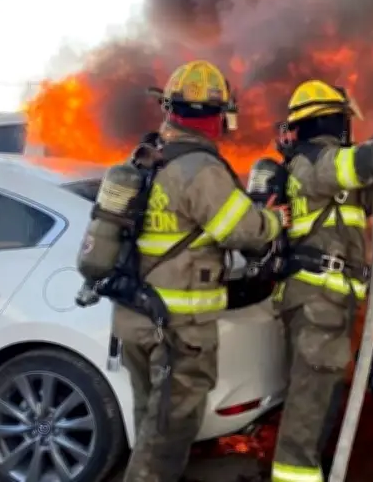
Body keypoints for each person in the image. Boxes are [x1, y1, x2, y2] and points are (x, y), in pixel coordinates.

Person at [113, 60, 291, 482]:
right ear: (219, 117)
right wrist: (275, 221)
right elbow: (244, 231)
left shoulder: (143, 160)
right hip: (178, 327)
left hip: (134, 318)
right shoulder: (201, 171)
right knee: (170, 432)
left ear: (169, 109)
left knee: (149, 421)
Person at [269, 80, 373, 482]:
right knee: (307, 415)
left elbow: (369, 204)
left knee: (322, 405)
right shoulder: (316, 161)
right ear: (333, 121)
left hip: (330, 300)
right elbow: (364, 163)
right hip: (317, 299)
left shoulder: (327, 171)